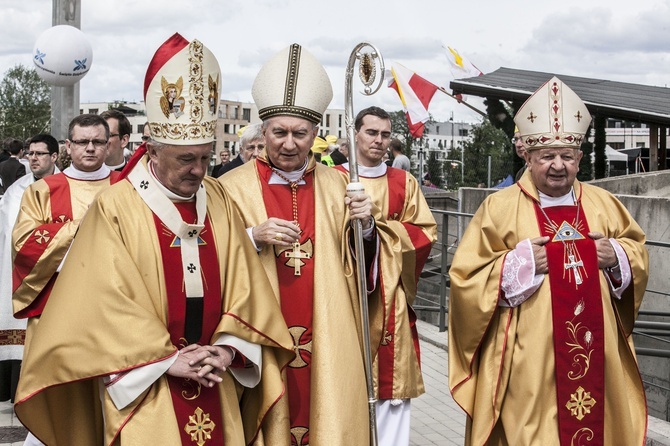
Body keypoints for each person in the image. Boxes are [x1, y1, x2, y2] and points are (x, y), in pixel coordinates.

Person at [13, 32, 293, 445]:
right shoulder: (116, 207)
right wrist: (167, 360)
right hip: (146, 383)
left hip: (216, 374)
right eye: (186, 159)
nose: (198, 170)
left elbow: (245, 285)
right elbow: (103, 302)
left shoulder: (216, 196)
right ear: (152, 152)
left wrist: (229, 349)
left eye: (205, 157)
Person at [448, 77, 649, 445]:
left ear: (579, 159)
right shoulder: (500, 207)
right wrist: (520, 263)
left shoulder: (603, 204)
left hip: (597, 356)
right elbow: (466, 279)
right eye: (547, 157)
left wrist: (616, 256)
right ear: (528, 156)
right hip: (529, 364)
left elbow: (636, 252)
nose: (558, 166)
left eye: (567, 157)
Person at [220, 43, 386, 445]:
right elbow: (211, 258)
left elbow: (365, 274)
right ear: (264, 133)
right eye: (279, 133)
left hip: (329, 336)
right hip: (260, 341)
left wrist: (366, 228)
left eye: (300, 134)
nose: (289, 144)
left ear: (315, 135)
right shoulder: (229, 188)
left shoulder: (341, 187)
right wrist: (250, 237)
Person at [335, 106, 437, 446]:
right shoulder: (332, 178)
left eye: (385, 135)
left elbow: (424, 234)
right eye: (371, 133)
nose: (379, 141)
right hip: (343, 300)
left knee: (392, 401)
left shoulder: (403, 182)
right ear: (355, 134)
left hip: (390, 302)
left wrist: (374, 231)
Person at [0, 134, 59, 404]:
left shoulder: (66, 185)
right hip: (21, 269)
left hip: (58, 270)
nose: (33, 158)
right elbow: (12, 231)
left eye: (39, 153)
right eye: (30, 153)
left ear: (55, 157)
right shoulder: (16, 191)